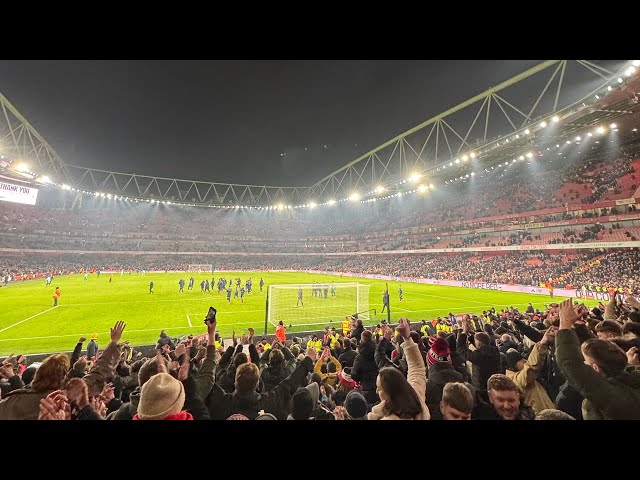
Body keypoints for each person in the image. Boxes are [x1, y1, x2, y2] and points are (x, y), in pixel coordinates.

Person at [368, 318, 429, 420]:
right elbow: (417, 369)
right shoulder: (416, 399)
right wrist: (407, 338)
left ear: (389, 393)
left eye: (379, 388)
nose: (377, 391)